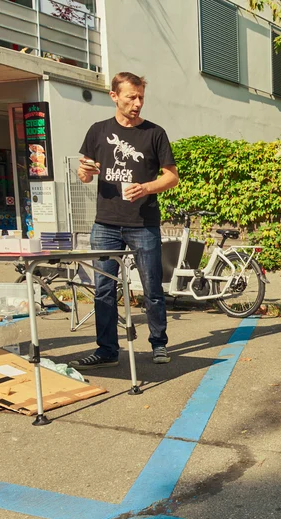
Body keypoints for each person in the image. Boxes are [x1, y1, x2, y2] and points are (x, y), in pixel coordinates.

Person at [69, 72, 179, 370]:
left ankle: (158, 344)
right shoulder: (97, 131)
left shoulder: (154, 133)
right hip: (105, 223)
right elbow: (84, 172)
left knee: (151, 286)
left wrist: (146, 187)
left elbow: (172, 177)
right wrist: (86, 173)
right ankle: (107, 350)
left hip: (143, 223)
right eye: (131, 96)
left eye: (141, 97)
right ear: (114, 96)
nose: (138, 103)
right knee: (104, 288)